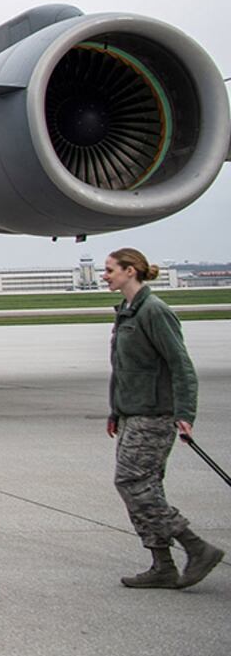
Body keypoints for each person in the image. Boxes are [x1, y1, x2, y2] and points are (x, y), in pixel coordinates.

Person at [103, 247, 223, 589]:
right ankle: (162, 564)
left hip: (153, 415)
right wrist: (116, 410)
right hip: (131, 413)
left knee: (132, 483)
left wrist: (185, 413)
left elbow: (181, 365)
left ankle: (196, 547)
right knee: (144, 486)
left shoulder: (154, 311)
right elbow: (124, 369)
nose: (105, 275)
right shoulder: (127, 311)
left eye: (111, 269)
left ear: (130, 271)